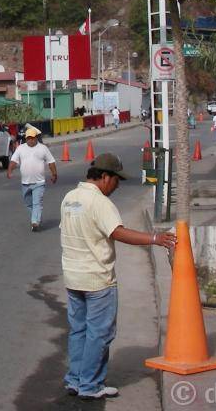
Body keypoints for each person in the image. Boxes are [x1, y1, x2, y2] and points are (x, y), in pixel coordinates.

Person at [60, 153, 176, 399]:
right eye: (116, 180)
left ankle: (75, 379)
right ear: (104, 177)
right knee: (99, 333)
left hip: (73, 277)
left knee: (79, 330)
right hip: (97, 279)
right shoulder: (100, 203)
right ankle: (90, 385)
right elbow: (119, 233)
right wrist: (155, 239)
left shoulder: (70, 198)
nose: (117, 185)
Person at [7, 126, 57, 231]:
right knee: (29, 204)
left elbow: (51, 162)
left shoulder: (43, 148)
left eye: (32, 138)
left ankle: (35, 221)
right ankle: (37, 217)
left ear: (36, 138)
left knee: (37, 203)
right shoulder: (21, 148)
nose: (30, 140)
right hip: (25, 183)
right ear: (25, 138)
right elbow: (14, 161)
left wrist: (54, 174)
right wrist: (10, 170)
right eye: (28, 138)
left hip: (39, 182)